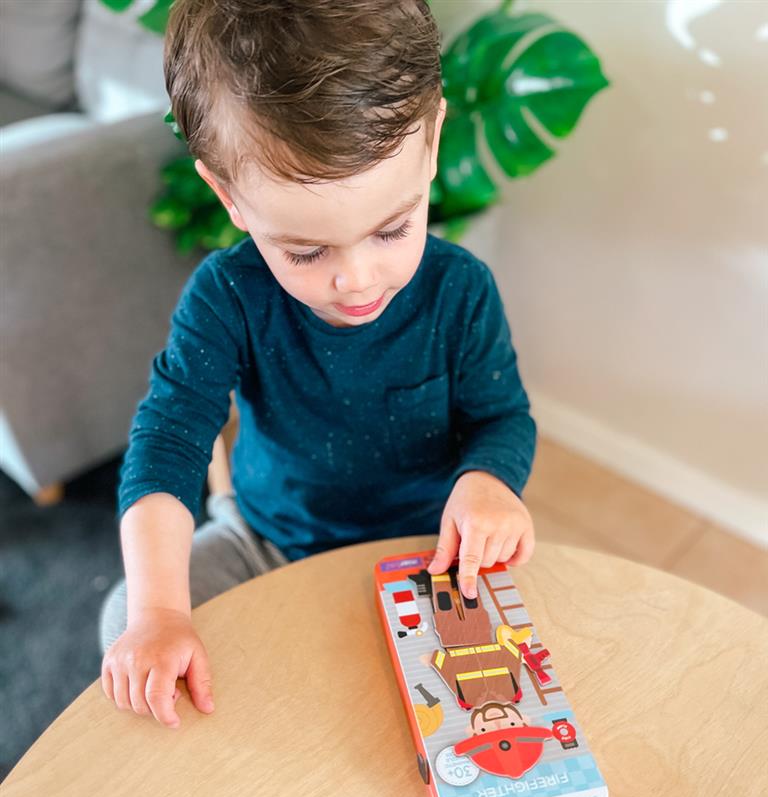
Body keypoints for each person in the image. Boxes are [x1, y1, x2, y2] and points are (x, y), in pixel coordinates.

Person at [99, 0, 537, 730]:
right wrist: (158, 614)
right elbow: (168, 440)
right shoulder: (228, 296)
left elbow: (501, 417)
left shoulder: (461, 291)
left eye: (392, 230)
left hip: (427, 551)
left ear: (431, 143)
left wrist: (489, 483)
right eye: (305, 251)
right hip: (268, 541)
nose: (358, 281)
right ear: (229, 195)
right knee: (126, 617)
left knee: (470, 709)